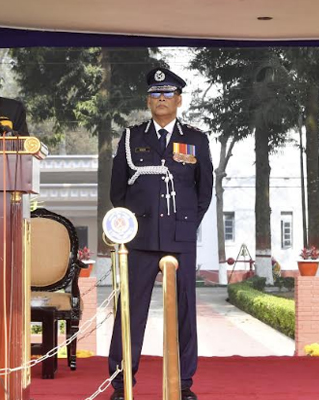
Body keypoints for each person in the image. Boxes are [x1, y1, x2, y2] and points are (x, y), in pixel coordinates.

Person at [108, 67, 213, 400]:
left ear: (179, 100)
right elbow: (117, 191)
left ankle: (183, 384)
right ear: (148, 101)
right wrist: (134, 224)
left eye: (168, 93)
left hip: (180, 240)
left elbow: (204, 191)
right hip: (140, 239)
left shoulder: (196, 139)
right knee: (130, 311)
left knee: (184, 313)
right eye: (155, 94)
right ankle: (121, 384)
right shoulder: (131, 137)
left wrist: (186, 225)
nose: (161, 99)